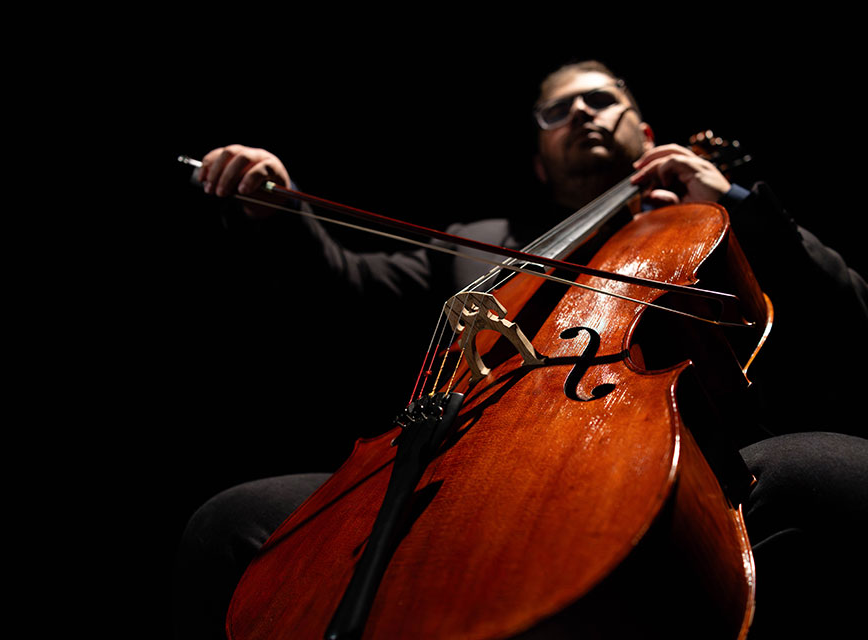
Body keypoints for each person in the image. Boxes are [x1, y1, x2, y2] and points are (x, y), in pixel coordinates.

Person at [173, 61, 868, 639]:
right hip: (450, 453)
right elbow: (350, 284)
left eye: (603, 100)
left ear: (645, 131)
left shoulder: (706, 220)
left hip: (673, 450)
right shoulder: (481, 239)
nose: (584, 115)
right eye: (558, 111)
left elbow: (848, 307)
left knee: (837, 472)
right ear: (539, 163)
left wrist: (738, 201)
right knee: (232, 523)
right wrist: (280, 213)